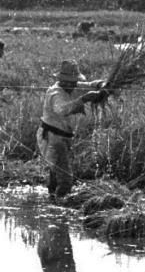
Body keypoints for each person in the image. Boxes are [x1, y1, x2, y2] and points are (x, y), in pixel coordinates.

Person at [37, 60, 107, 198]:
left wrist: (102, 85)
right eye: (71, 81)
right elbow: (61, 109)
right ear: (62, 80)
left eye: (75, 81)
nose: (74, 84)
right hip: (52, 137)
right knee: (65, 179)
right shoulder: (55, 93)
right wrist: (84, 99)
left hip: (64, 136)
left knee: (56, 172)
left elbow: (91, 84)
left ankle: (52, 201)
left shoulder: (74, 85)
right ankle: (60, 208)